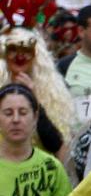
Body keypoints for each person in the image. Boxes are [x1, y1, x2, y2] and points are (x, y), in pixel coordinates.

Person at [2, 23, 73, 161]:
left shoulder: (53, 94)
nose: (20, 56)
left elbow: (58, 148)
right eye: (13, 49)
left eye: (26, 50)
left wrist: (34, 99)